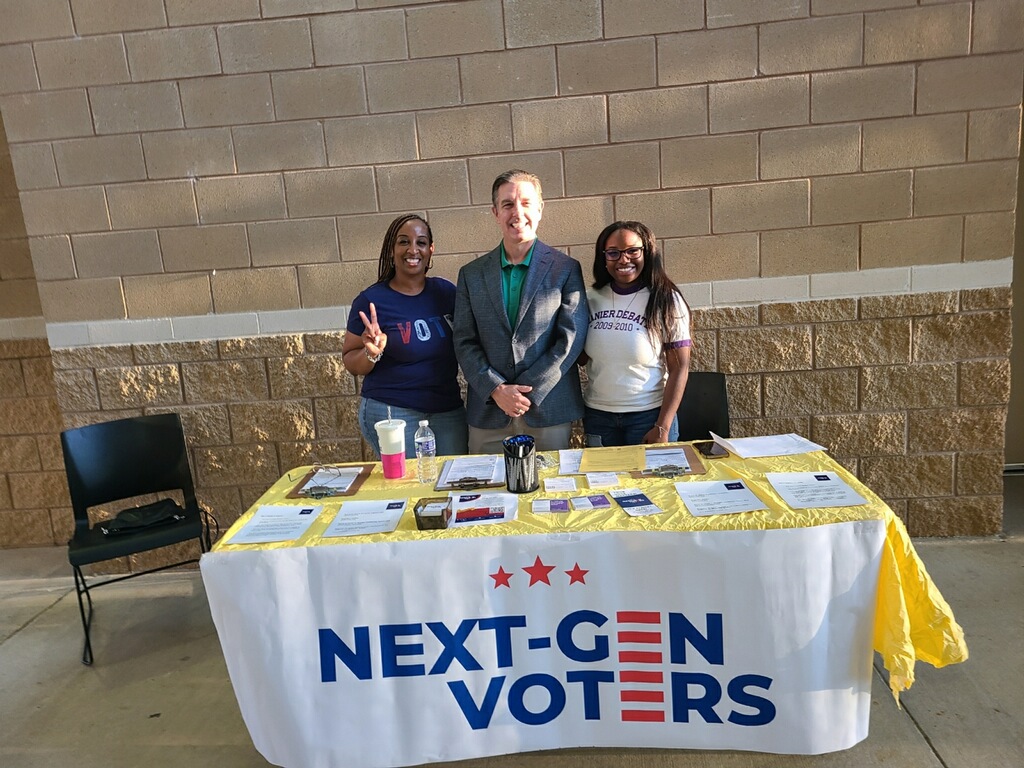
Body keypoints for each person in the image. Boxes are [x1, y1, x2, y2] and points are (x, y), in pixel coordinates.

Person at [453, 170, 589, 454]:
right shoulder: (471, 274)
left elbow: (570, 339)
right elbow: (464, 340)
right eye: (508, 204)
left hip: (547, 408)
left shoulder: (565, 269)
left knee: (552, 493)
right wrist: (497, 390)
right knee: (487, 494)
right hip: (489, 411)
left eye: (526, 203)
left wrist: (524, 391)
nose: (518, 212)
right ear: (495, 212)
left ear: (540, 209)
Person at [342, 214, 468, 458]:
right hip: (393, 412)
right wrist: (371, 352)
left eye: (421, 242)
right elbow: (350, 361)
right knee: (409, 487)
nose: (413, 249)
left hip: (447, 411)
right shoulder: (371, 301)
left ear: (430, 250)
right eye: (403, 242)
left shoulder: (446, 293)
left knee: (453, 483)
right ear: (391, 249)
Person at [581, 220, 691, 447]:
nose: (623, 259)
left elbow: (679, 367)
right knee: (604, 483)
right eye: (613, 253)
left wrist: (663, 426)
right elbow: (580, 357)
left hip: (649, 416)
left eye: (633, 251)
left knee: (654, 483)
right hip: (599, 417)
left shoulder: (666, 299)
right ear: (604, 257)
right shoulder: (590, 298)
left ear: (648, 253)